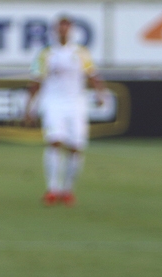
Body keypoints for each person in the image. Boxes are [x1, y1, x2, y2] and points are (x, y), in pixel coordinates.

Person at [26, 15, 106, 206]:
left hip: (76, 103)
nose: (63, 31)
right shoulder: (45, 54)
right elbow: (36, 81)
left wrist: (100, 94)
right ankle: (53, 189)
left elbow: (93, 75)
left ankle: (68, 189)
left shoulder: (81, 53)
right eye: (60, 27)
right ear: (55, 30)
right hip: (53, 102)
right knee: (54, 141)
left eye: (66, 27)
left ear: (70, 30)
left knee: (76, 147)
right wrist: (29, 106)